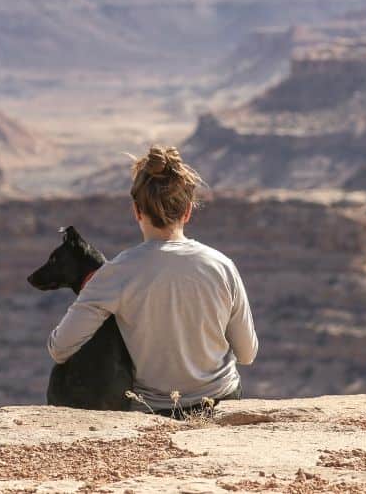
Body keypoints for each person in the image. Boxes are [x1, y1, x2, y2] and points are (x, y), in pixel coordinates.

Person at [47, 145, 258, 416]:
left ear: (136, 210)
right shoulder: (222, 266)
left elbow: (59, 348)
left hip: (155, 411)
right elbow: (247, 354)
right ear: (187, 212)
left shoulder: (116, 273)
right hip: (221, 402)